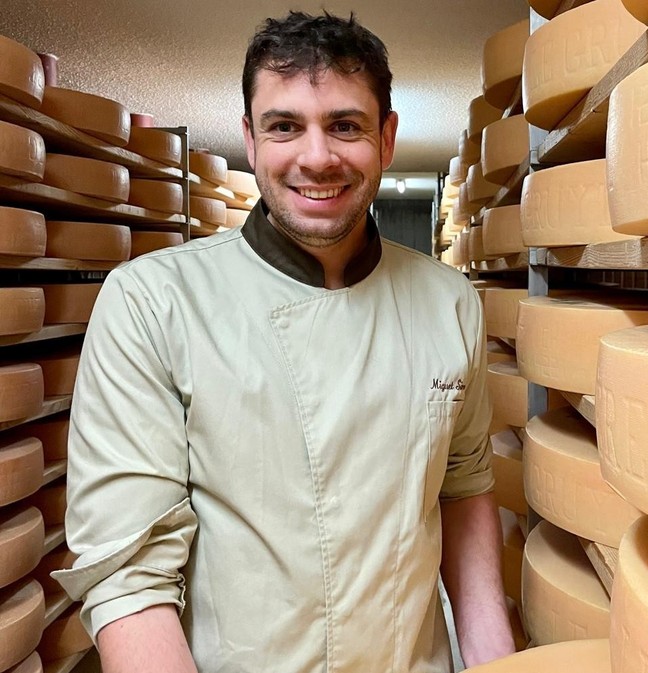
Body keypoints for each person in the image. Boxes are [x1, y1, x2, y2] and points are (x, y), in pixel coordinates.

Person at [55, 11, 514, 673]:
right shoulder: (152, 301)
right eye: (284, 126)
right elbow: (129, 577)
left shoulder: (449, 302)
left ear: (387, 137)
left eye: (345, 125)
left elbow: (464, 489)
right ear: (250, 138)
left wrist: (493, 661)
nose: (316, 156)